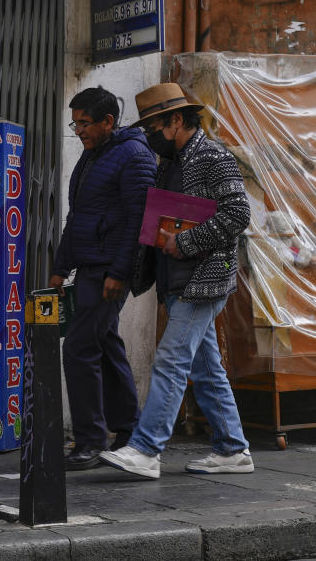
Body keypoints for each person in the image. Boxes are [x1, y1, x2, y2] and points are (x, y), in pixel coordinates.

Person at [100, 83, 253, 479]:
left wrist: (184, 242)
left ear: (177, 120)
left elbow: (238, 212)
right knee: (205, 367)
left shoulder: (212, 156)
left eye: (154, 126)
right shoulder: (170, 162)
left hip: (205, 278)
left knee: (171, 360)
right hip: (178, 279)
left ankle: (147, 449)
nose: (150, 135)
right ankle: (232, 450)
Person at [48, 87, 157, 471]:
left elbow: (137, 220)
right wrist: (61, 267)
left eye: (84, 122)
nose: (78, 130)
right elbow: (78, 216)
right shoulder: (94, 154)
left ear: (108, 121)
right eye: (75, 122)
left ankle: (91, 440)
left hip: (109, 270)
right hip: (91, 267)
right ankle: (129, 428)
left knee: (78, 347)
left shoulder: (133, 155)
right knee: (105, 344)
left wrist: (118, 273)